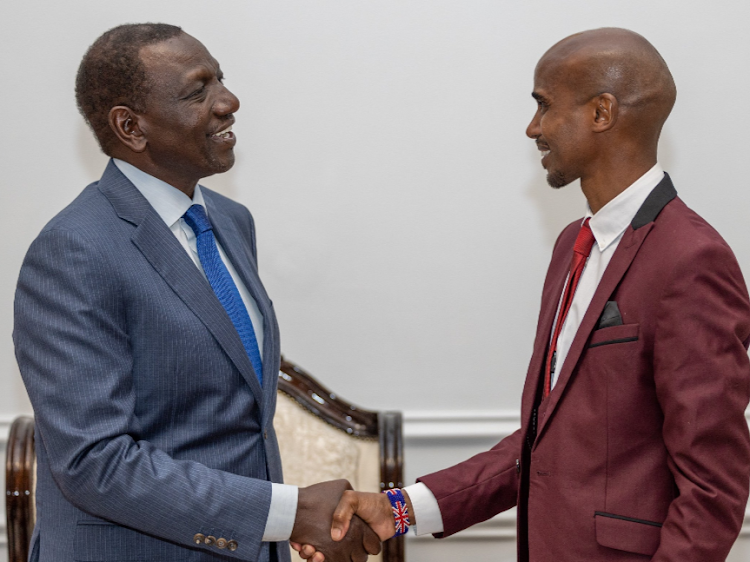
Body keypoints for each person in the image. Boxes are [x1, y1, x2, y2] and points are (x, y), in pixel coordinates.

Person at [296, 28, 750, 561]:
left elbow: (713, 487)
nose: (533, 127)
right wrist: (400, 509)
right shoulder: (571, 248)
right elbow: (546, 442)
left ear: (602, 113)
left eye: (544, 105)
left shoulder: (690, 258)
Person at [13, 23, 380, 562]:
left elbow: (233, 420)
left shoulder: (230, 221)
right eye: (197, 91)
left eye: (221, 81)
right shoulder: (73, 251)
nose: (228, 101)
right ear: (130, 126)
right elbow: (95, 462)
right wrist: (288, 513)